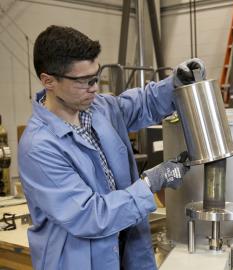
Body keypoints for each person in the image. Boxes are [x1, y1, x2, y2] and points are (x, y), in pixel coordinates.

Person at [18, 25, 206, 270]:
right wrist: (151, 182)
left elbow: (144, 103)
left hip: (128, 252)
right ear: (49, 81)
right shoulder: (39, 147)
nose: (95, 87)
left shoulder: (99, 108)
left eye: (95, 76)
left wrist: (176, 83)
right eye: (84, 81)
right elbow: (90, 216)